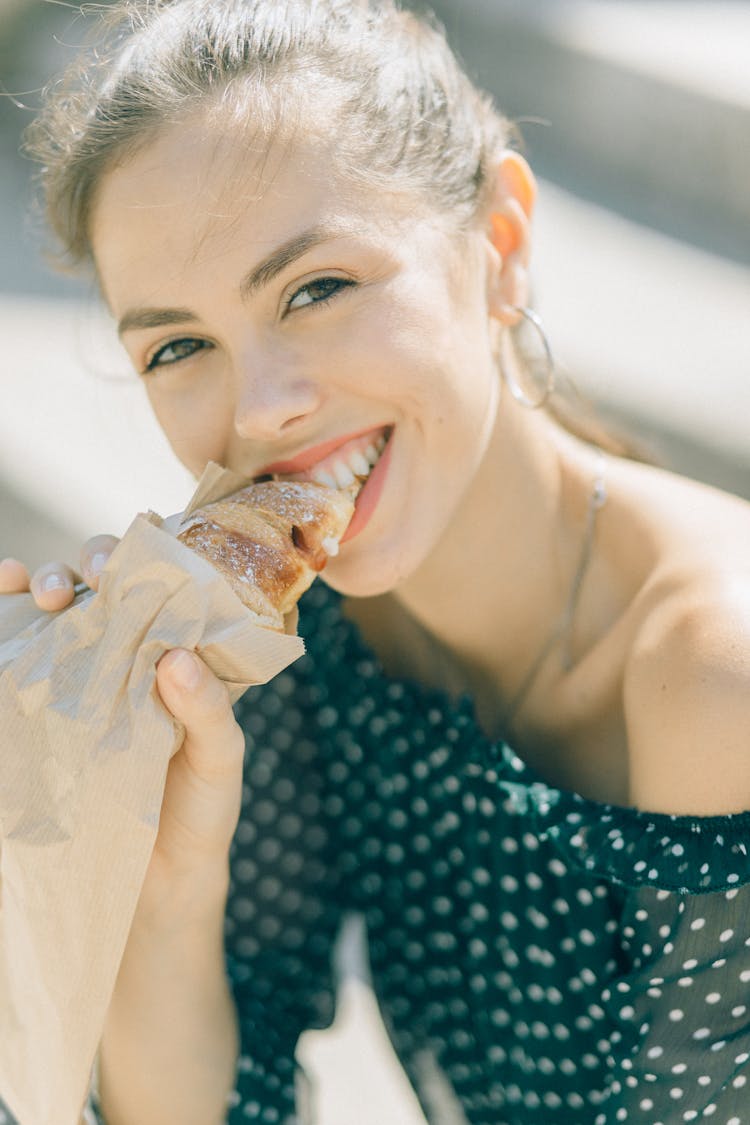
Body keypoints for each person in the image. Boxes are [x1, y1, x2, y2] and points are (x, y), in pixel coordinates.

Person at [2, 1, 750, 1122]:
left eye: (317, 288)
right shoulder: (302, 639)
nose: (262, 413)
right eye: (179, 346)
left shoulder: (714, 674)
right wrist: (152, 859)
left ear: (499, 247)